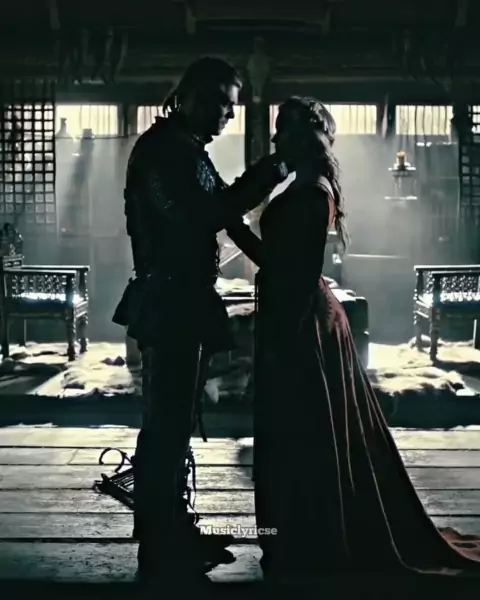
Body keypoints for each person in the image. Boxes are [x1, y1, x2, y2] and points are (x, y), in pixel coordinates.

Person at [252, 96, 480, 585]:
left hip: (303, 320)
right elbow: (279, 262)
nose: (273, 137)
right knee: (299, 433)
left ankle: (311, 542)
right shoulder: (303, 185)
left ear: (301, 136)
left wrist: (286, 337)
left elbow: (295, 272)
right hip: (298, 313)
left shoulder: (312, 192)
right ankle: (295, 538)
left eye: (281, 129)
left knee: (303, 431)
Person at [114, 56, 290, 589]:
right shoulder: (164, 151)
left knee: (175, 421)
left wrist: (273, 261)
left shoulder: (185, 148)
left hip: (182, 298)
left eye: (231, 107)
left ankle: (173, 528)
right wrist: (270, 172)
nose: (226, 115)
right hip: (169, 299)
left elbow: (223, 213)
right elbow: (205, 214)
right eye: (218, 102)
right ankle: (160, 539)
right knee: (167, 425)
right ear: (188, 95)